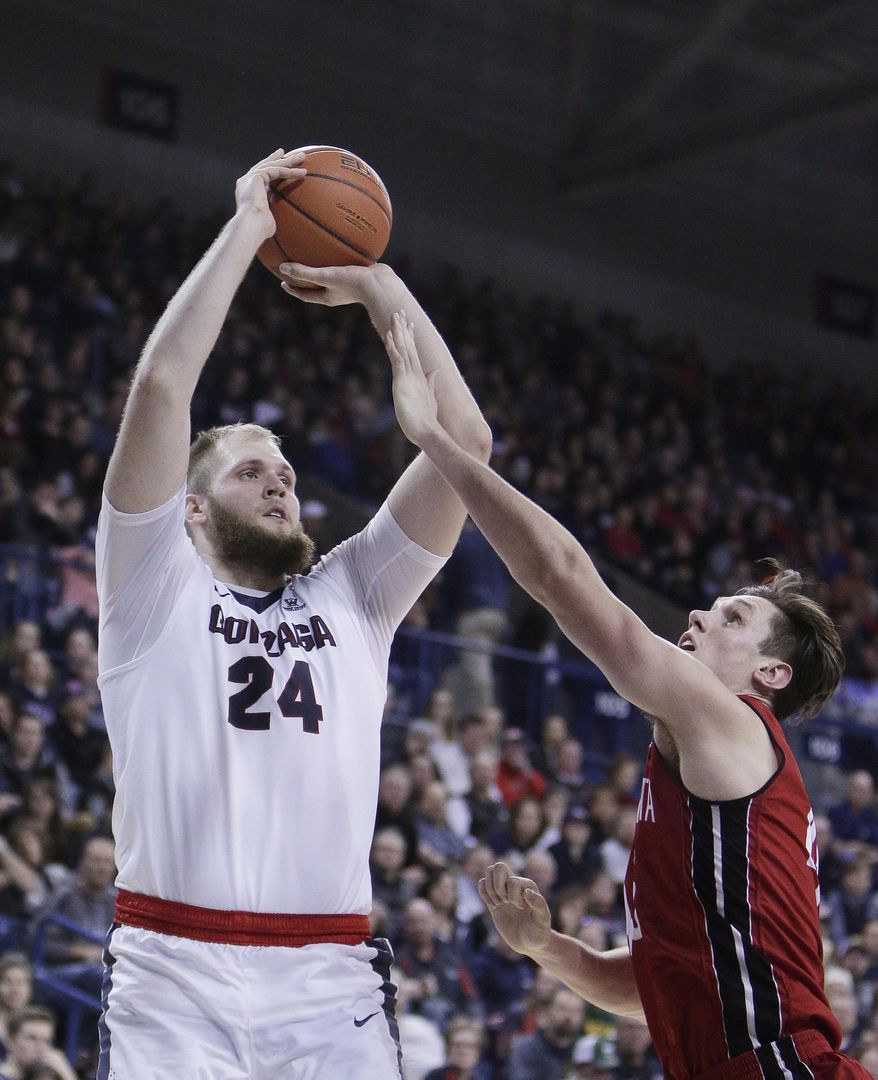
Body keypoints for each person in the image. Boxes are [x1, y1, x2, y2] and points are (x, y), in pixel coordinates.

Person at [383, 314, 869, 1079]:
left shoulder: (735, 723)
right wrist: (547, 947)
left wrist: (435, 443)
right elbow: (649, 984)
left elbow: (564, 579)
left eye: (734, 618)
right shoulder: (703, 774)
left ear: (771, 676)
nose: (700, 615)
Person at [94, 149, 491, 1079]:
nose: (278, 479)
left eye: (285, 471)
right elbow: (161, 389)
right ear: (191, 509)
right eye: (247, 470)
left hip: (327, 980)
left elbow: (466, 444)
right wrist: (250, 227)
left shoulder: (354, 593)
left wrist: (383, 289)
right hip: (171, 973)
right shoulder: (153, 582)